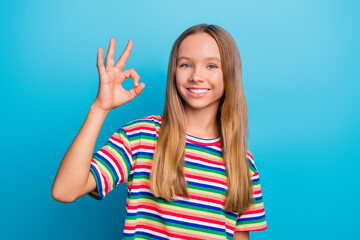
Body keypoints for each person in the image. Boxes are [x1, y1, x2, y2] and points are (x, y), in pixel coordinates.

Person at [52, 23, 267, 240]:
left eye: (211, 66)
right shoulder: (141, 137)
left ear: (229, 74)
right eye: (185, 65)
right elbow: (65, 190)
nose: (196, 76)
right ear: (173, 71)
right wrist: (100, 108)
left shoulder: (242, 162)